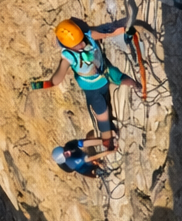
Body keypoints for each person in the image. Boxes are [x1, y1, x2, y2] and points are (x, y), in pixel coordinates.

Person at [32, 18, 140, 149]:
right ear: (68, 46)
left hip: (103, 72)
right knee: (101, 112)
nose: (82, 44)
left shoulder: (88, 36)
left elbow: (107, 33)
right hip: (92, 88)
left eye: (80, 40)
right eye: (77, 44)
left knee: (119, 77)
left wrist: (126, 28)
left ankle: (136, 86)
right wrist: (43, 84)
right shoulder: (68, 56)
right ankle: (108, 141)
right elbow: (57, 79)